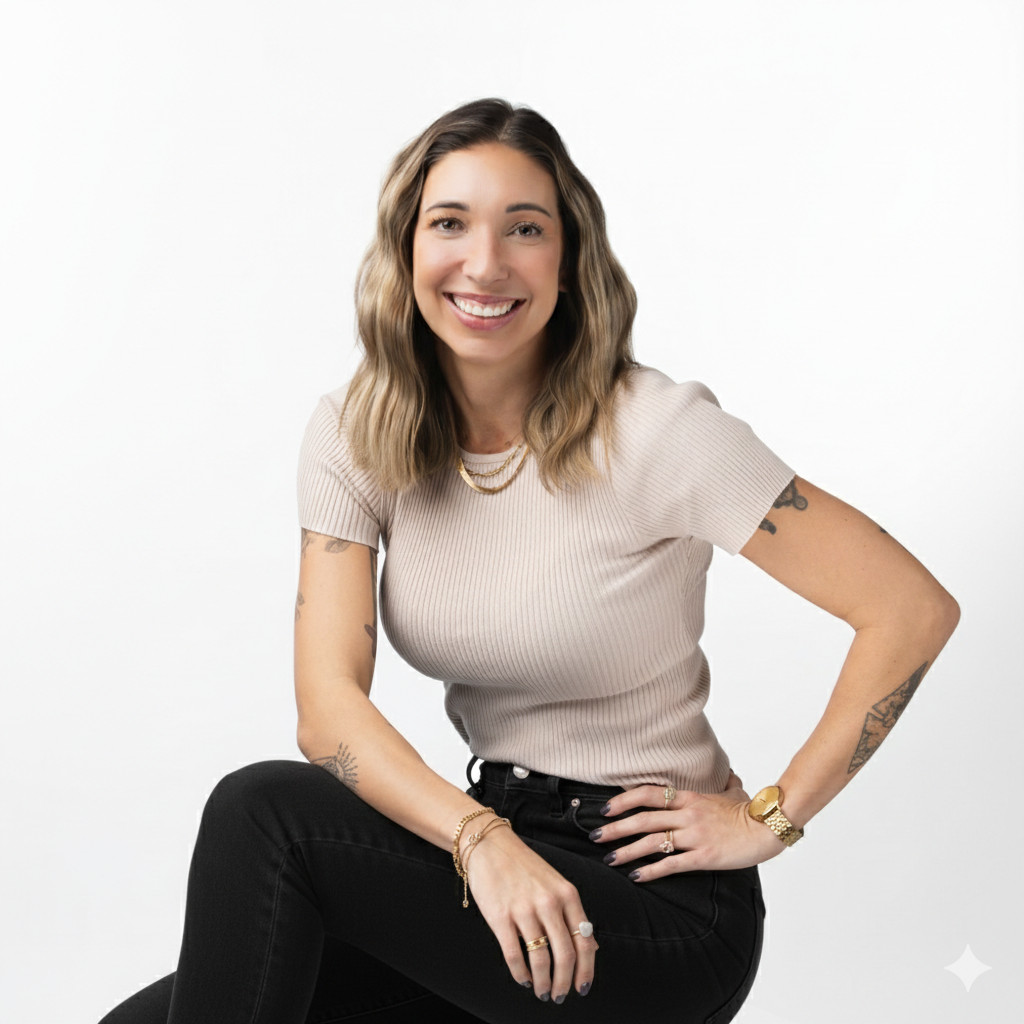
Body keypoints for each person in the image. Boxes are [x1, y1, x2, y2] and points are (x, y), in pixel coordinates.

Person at [98, 98, 959, 1024]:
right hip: (495, 860)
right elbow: (329, 711)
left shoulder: (659, 434)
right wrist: (480, 841)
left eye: (525, 228)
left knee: (262, 813)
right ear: (405, 250)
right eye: (450, 224)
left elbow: (908, 608)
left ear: (568, 259)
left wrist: (771, 818)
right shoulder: (355, 438)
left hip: (654, 901)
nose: (484, 262)